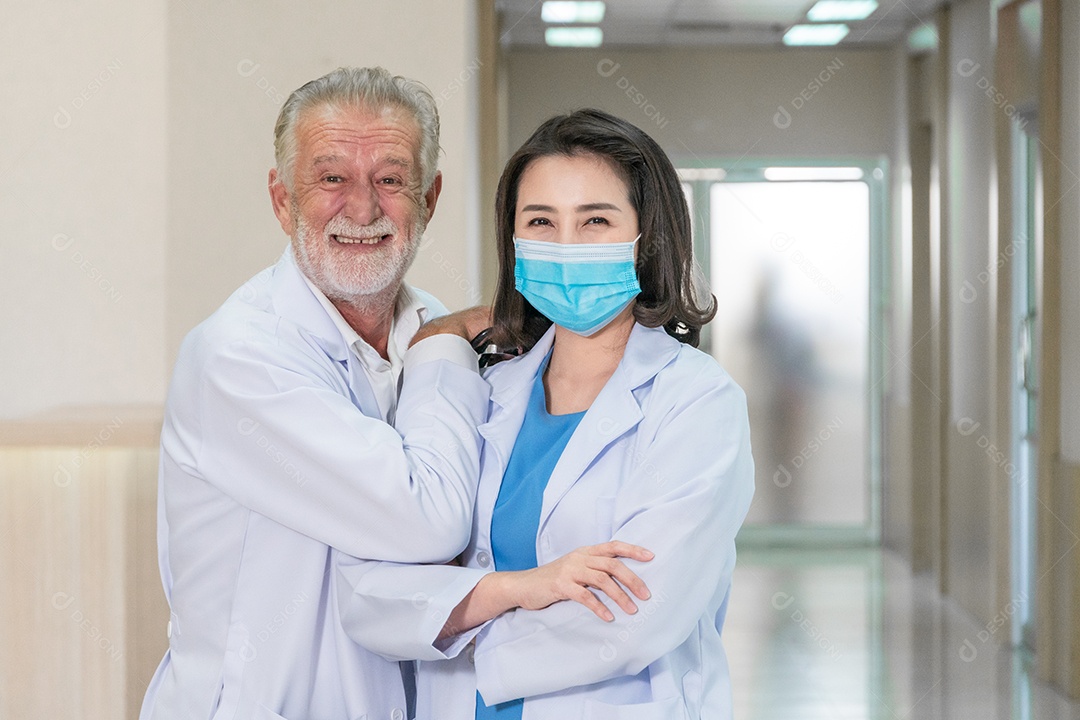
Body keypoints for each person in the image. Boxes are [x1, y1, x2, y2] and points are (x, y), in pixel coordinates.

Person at [337, 109, 755, 720]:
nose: (565, 245)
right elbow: (369, 593)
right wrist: (516, 589)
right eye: (541, 221)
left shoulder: (695, 403)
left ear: (649, 237)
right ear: (514, 239)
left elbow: (632, 620)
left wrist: (452, 620)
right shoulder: (486, 389)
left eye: (595, 220)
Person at [139, 67, 494, 720]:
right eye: (332, 178)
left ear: (430, 198)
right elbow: (427, 519)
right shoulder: (239, 356)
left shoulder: (428, 326)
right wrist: (446, 347)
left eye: (390, 179)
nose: (362, 209)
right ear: (282, 199)